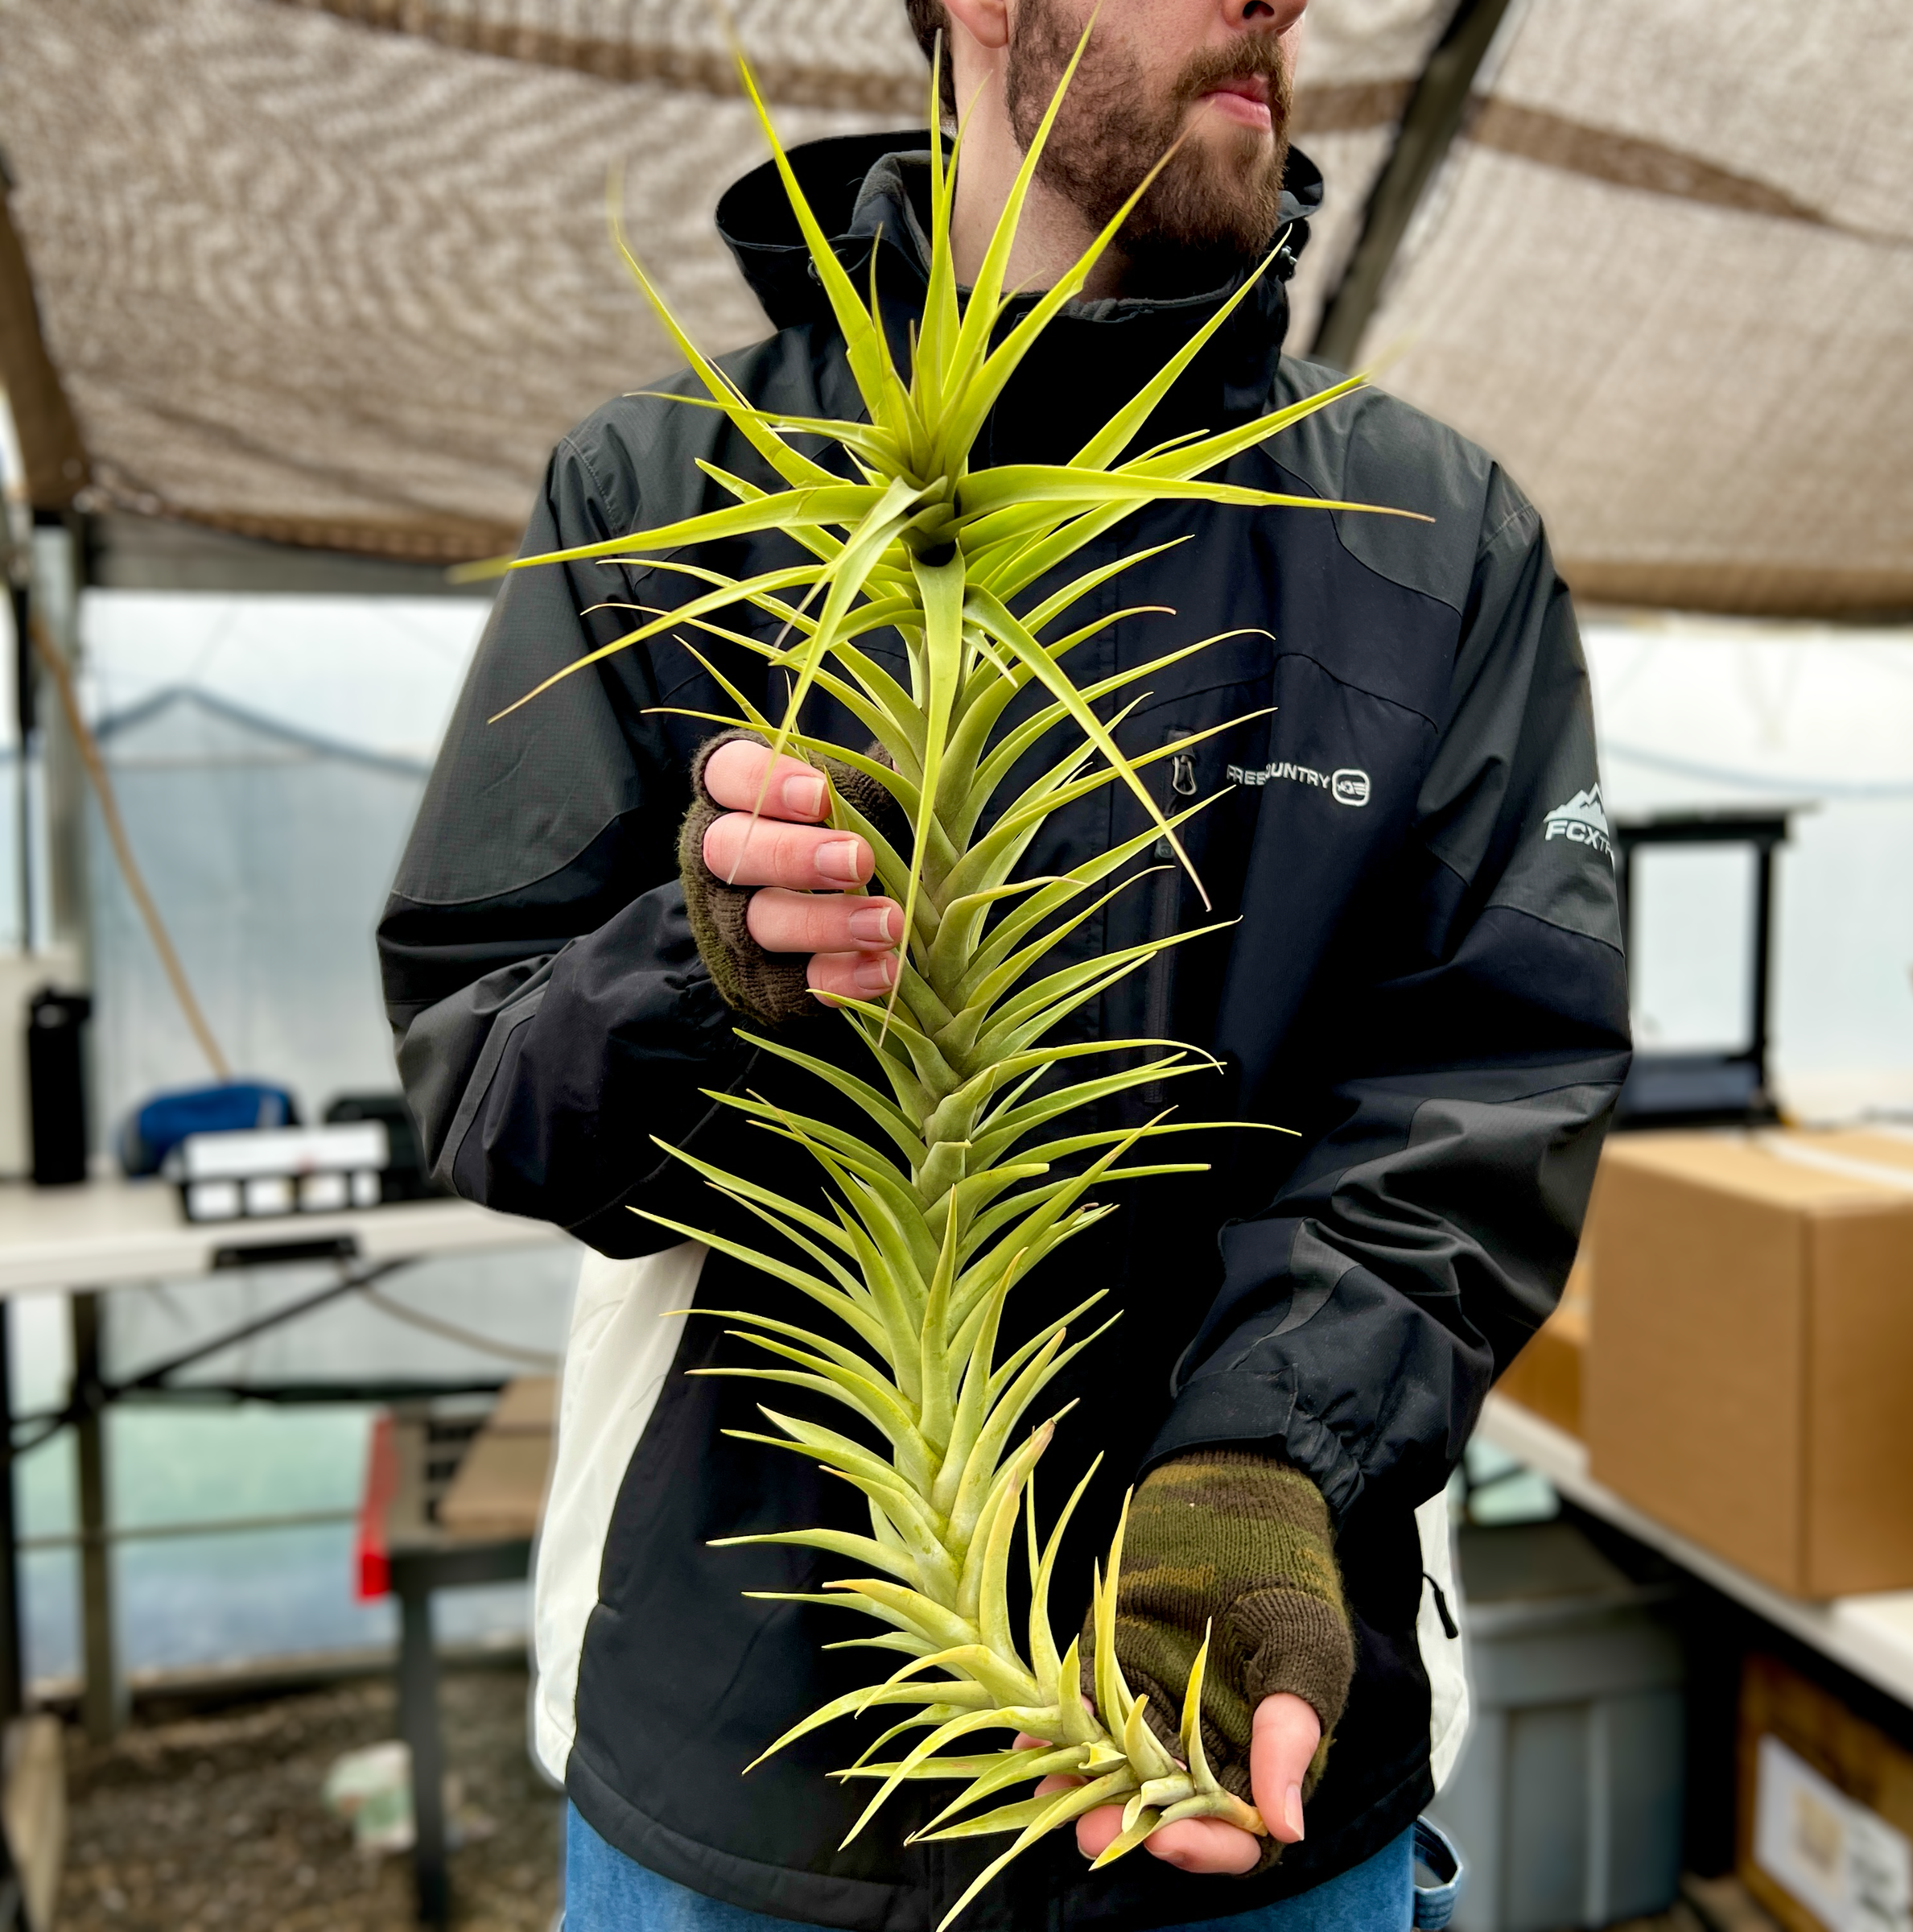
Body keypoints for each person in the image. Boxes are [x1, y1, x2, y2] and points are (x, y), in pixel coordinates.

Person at [378, 0, 1630, 1925]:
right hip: (750, 1792)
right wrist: (698, 967)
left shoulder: (1428, 535)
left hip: (1246, 1753)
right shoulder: (666, 491)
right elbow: (481, 1075)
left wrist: (1266, 1463)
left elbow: (1491, 1081)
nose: (1282, 3)